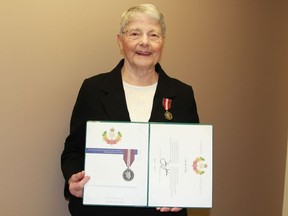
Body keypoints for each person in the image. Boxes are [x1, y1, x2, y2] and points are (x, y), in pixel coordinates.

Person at [61, 3, 199, 216]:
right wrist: (73, 177)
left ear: (162, 42)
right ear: (120, 40)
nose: (145, 42)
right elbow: (73, 150)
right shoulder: (94, 89)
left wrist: (186, 191)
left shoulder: (182, 94)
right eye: (135, 33)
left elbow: (192, 159)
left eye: (154, 35)